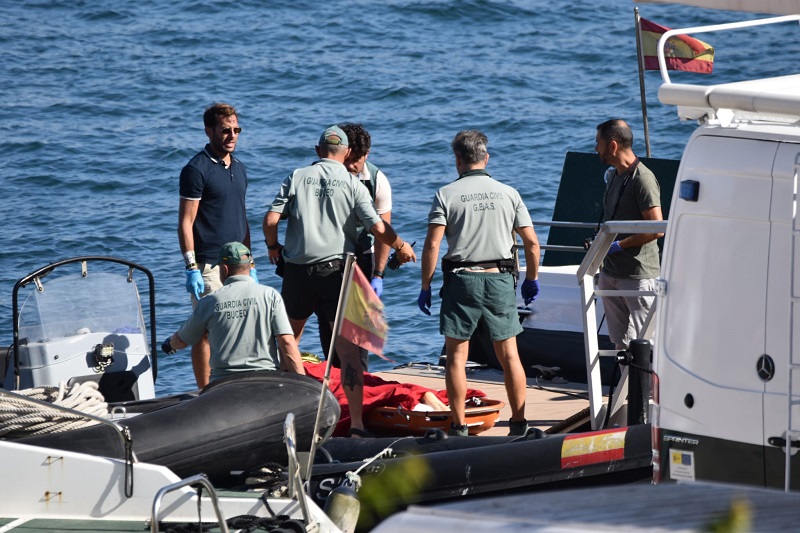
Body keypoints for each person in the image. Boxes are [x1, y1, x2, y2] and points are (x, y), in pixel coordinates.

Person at [263, 125, 416, 437]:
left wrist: (273, 246)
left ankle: (284, 417)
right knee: (348, 353)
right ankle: (357, 425)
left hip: (298, 273)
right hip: (336, 273)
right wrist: (401, 245)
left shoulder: (297, 176)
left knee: (288, 342)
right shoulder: (352, 183)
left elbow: (270, 219)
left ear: (317, 151)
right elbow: (377, 227)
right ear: (346, 154)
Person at [418, 129, 540, 437]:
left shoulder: (445, 194)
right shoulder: (509, 193)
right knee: (509, 355)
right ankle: (519, 424)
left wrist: (425, 286)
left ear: (458, 160)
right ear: (486, 158)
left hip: (462, 281)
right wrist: (531, 279)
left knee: (457, 357)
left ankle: (458, 426)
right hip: (500, 279)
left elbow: (432, 245)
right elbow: (531, 243)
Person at [178, 103, 255, 388]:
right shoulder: (196, 169)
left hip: (239, 265)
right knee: (207, 330)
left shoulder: (240, 168)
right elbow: (186, 222)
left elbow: (242, 217)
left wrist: (251, 262)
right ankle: (204, 391)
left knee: (241, 328)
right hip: (208, 264)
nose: (232, 136)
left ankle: (234, 385)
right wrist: (191, 268)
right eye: (225, 130)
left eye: (236, 130)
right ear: (209, 131)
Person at [161, 242, 305, 387]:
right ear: (249, 266)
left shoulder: (209, 301)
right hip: (265, 382)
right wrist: (305, 386)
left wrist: (169, 345)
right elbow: (287, 342)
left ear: (224, 269)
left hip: (224, 386)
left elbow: (181, 340)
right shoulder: (270, 295)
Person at [317, 122, 392, 371]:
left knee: (360, 326)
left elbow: (383, 232)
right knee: (328, 322)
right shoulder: (322, 176)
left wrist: (378, 274)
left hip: (362, 254)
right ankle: (333, 374)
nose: (350, 166)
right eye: (348, 159)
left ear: (366, 155)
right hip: (328, 254)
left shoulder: (378, 181)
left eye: (356, 161)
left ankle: (360, 377)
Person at [594, 119, 664, 350]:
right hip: (611, 272)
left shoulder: (642, 179)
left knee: (647, 344)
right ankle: (625, 376)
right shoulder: (614, 175)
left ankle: (648, 377)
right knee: (620, 343)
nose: (596, 148)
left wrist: (619, 245)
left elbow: (656, 227)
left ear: (613, 146)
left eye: (598, 142)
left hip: (637, 275)